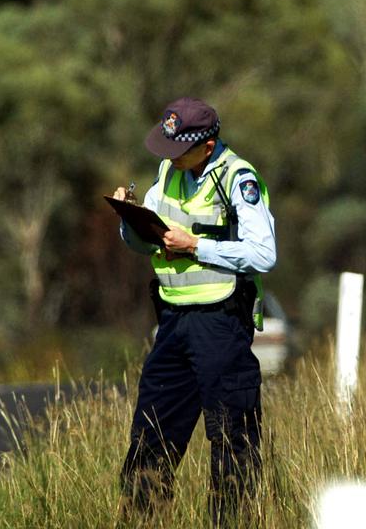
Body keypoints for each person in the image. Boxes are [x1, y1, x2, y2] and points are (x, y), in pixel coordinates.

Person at [113, 97, 276, 522]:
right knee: (151, 433)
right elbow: (147, 242)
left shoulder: (238, 178)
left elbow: (263, 254)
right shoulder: (169, 170)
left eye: (178, 149)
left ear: (206, 145)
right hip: (171, 322)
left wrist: (197, 246)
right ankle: (143, 518)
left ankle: (230, 520)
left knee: (231, 436)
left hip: (221, 323)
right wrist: (129, 221)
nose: (168, 157)